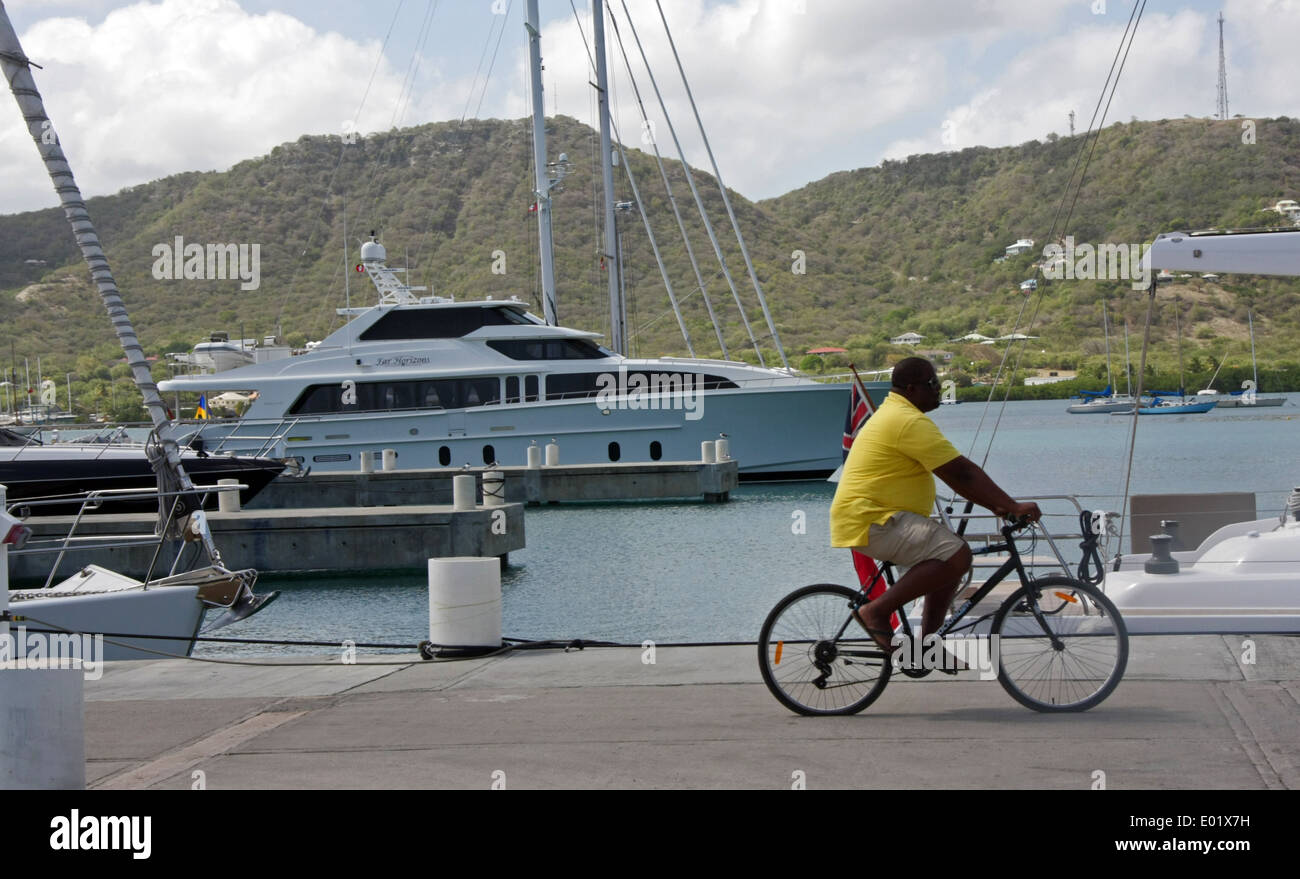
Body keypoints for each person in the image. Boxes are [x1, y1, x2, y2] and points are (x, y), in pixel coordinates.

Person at [830, 356, 1041, 654]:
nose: (939, 390)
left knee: (949, 565)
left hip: (878, 518)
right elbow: (961, 472)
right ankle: (875, 611)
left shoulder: (898, 414)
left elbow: (955, 479)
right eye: (933, 384)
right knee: (957, 555)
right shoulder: (906, 421)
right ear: (912, 389)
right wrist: (1011, 505)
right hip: (873, 520)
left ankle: (927, 647)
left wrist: (999, 507)